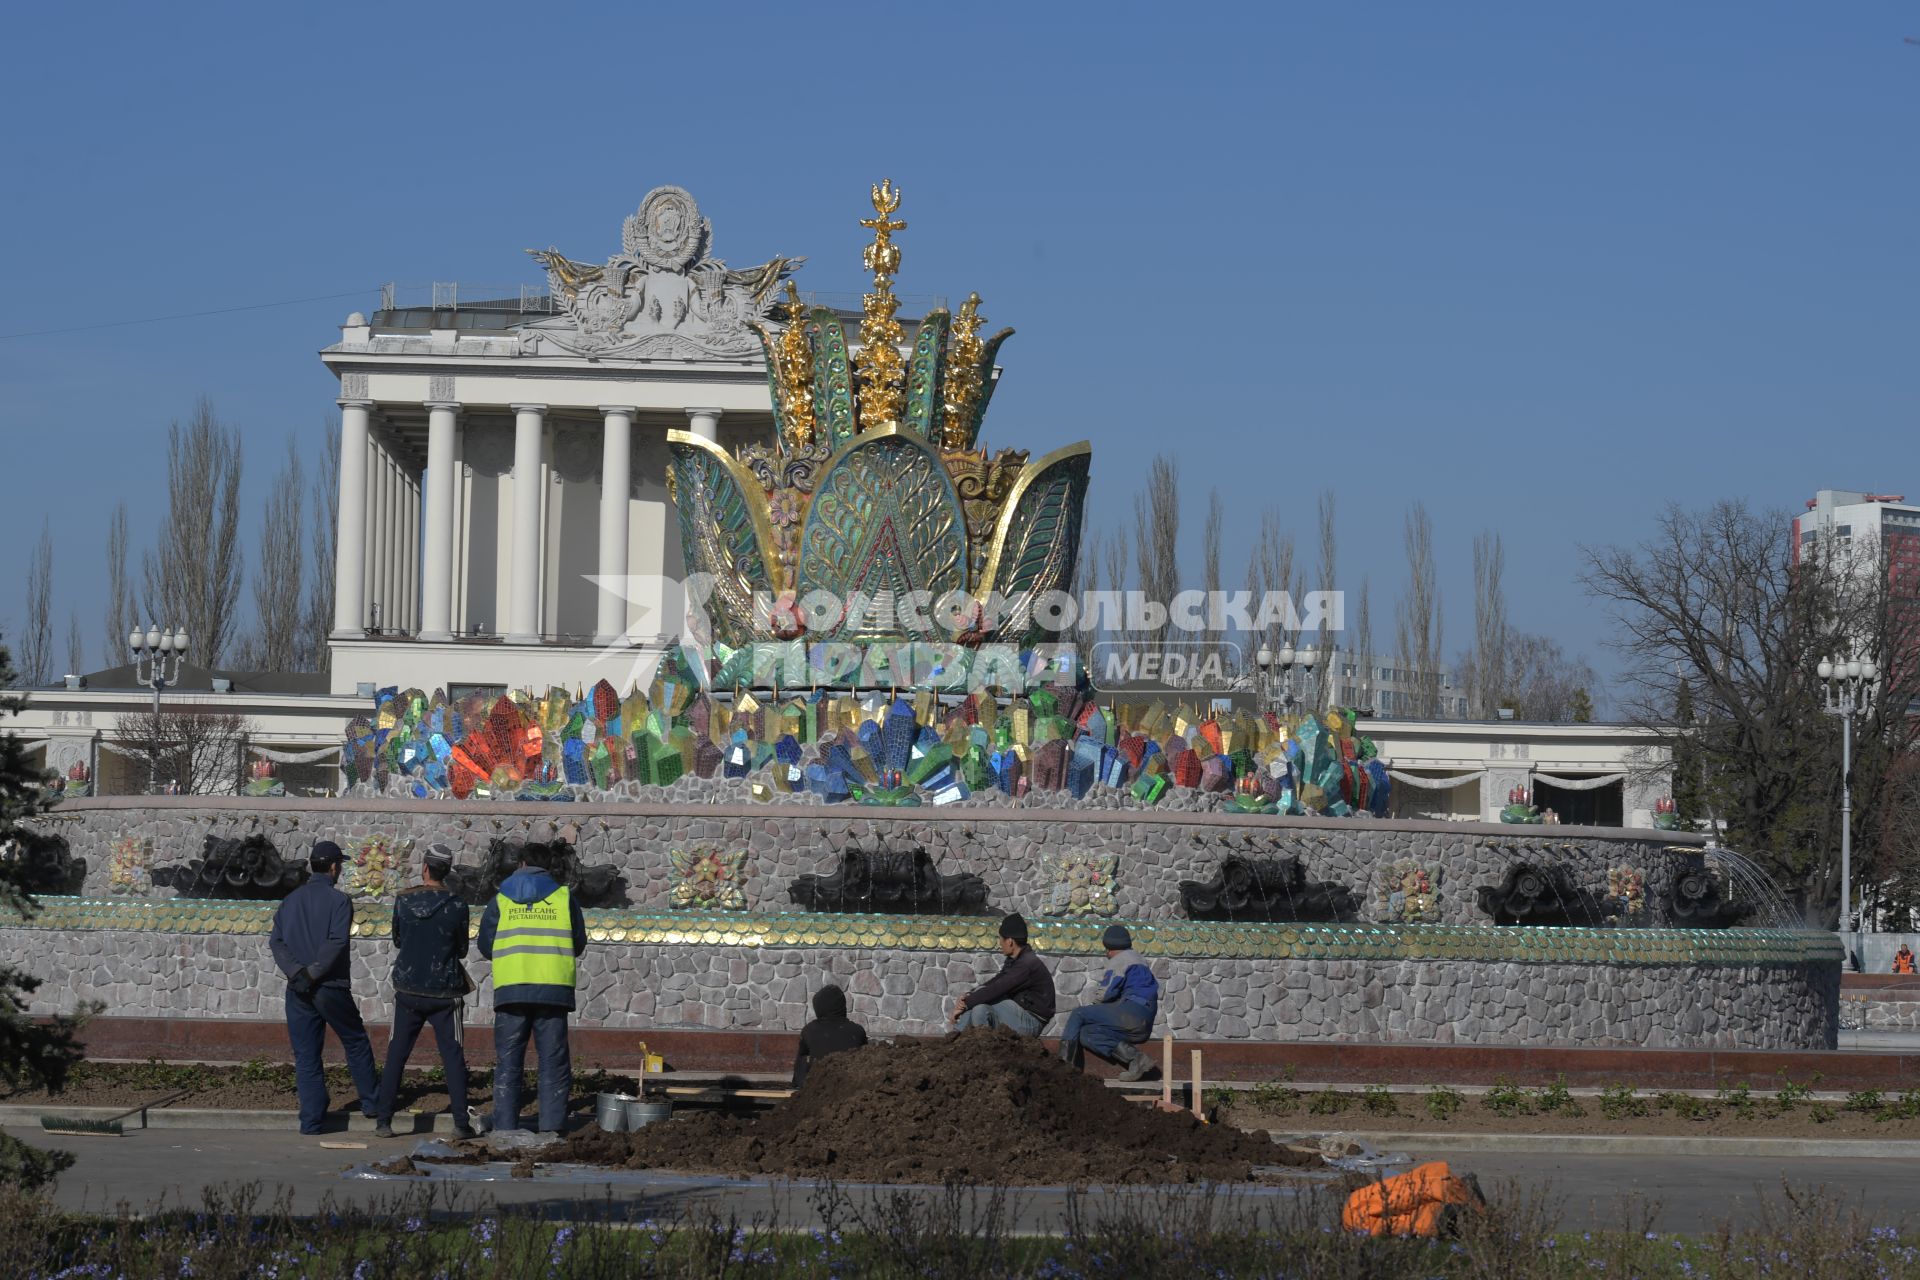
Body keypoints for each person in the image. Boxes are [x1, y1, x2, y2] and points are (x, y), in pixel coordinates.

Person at [268, 839, 380, 1135]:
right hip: (330, 985)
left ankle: (312, 1121)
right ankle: (372, 1104)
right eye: (339, 865)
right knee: (355, 1041)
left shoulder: (290, 900)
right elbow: (337, 941)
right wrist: (314, 972)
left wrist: (296, 972)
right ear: (333, 867)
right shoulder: (339, 901)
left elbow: (276, 942)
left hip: (298, 989)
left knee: (306, 1054)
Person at [477, 842, 588, 1134]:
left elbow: (486, 946)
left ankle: (504, 1128)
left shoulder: (501, 899)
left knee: (508, 1063)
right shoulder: (565, 898)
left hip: (512, 989)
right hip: (553, 990)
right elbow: (578, 943)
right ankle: (551, 1128)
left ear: (521, 864)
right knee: (553, 1062)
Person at [373, 844, 475, 1139]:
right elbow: (462, 949)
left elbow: (397, 939)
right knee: (453, 1057)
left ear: (425, 868)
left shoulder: (404, 901)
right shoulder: (457, 904)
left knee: (396, 1055)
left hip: (408, 988)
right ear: (447, 871)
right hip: (445, 992)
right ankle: (460, 1124)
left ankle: (384, 1121)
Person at [1058, 924, 1160, 1081]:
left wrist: (1092, 1010)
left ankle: (1063, 1069)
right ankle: (1136, 1059)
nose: (1107, 954)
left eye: (1107, 950)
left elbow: (1104, 994)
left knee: (1079, 1014)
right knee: (1087, 1034)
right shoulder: (1139, 959)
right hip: (1142, 1022)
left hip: (1132, 1012)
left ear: (1111, 948)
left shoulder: (1120, 960)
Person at [949, 913, 1055, 1037]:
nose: (1000, 943)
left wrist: (964, 1005)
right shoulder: (1016, 960)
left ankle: (960, 1036)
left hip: (1031, 1021)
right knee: (980, 1009)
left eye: (1000, 939)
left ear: (1010, 941)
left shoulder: (1026, 964)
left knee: (985, 998)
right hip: (1017, 1015)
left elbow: (998, 988)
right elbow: (996, 981)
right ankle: (959, 1037)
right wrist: (969, 995)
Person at [792, 983, 868, 1087]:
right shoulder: (858, 1031)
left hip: (817, 1091)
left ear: (818, 1007)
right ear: (842, 1006)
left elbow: (800, 1070)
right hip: (852, 1091)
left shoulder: (809, 1031)